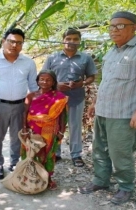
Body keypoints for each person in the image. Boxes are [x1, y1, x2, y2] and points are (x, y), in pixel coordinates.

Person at [79, 11, 136, 204]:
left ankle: (125, 186)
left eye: (120, 26)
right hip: (103, 111)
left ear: (134, 28)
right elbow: (106, 82)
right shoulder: (112, 51)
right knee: (99, 149)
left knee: (120, 152)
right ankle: (101, 180)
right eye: (111, 26)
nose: (114, 30)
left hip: (124, 114)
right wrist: (94, 103)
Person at [0, 28, 38, 179]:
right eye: (11, 41)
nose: (14, 45)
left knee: (17, 136)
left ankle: (14, 163)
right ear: (3, 42)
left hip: (21, 105)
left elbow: (33, 87)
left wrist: (32, 109)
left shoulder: (28, 63)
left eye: (19, 43)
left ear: (22, 45)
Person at [41, 28, 97, 167]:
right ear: (63, 40)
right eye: (69, 39)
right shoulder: (52, 58)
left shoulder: (85, 58)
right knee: (55, 126)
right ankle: (55, 153)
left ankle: (76, 155)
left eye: (75, 39)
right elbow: (43, 77)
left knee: (75, 126)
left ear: (79, 41)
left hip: (76, 97)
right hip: (55, 98)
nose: (72, 42)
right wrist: (56, 85)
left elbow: (91, 76)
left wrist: (82, 83)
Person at [20, 70, 68, 190]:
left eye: (48, 80)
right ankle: (30, 177)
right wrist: (25, 130)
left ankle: (47, 178)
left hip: (49, 130)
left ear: (53, 82)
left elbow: (63, 115)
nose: (44, 82)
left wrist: (61, 131)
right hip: (32, 129)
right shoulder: (31, 95)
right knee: (31, 152)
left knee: (48, 154)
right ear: (37, 81)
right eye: (42, 79)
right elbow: (24, 113)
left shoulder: (59, 97)